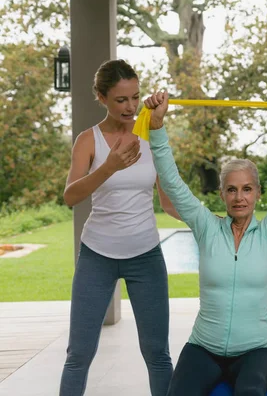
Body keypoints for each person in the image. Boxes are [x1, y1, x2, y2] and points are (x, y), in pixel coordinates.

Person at [144, 90, 267, 396]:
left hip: (256, 350)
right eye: (231, 190)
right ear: (221, 194)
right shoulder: (206, 226)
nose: (239, 197)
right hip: (203, 347)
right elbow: (172, 181)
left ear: (258, 192)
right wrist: (157, 125)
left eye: (247, 189)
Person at [60, 59, 178, 396]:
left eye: (135, 97)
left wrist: (211, 221)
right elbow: (71, 196)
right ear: (101, 97)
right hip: (97, 255)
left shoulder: (152, 138)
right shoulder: (89, 141)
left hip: (146, 256)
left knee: (157, 353)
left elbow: (168, 203)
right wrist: (108, 167)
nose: (130, 107)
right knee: (79, 354)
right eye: (120, 100)